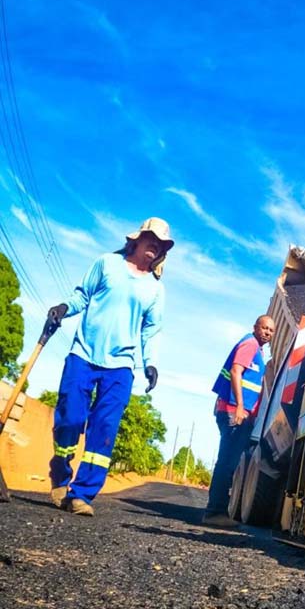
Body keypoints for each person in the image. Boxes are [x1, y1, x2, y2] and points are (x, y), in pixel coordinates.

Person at [45, 218, 172, 515]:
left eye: (162, 243)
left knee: (103, 429)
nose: (156, 245)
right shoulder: (107, 264)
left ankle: (82, 494)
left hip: (121, 368)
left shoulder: (156, 290)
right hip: (83, 355)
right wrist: (64, 308)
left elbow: (151, 330)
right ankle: (60, 471)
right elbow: (82, 296)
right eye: (152, 238)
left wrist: (150, 363)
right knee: (70, 419)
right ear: (137, 239)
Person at [202, 314, 275, 526]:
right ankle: (214, 512)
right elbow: (236, 371)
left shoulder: (257, 350)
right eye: (264, 328)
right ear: (255, 327)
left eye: (271, 330)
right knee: (227, 462)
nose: (267, 333)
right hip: (234, 412)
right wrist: (241, 407)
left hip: (235, 411)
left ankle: (216, 510)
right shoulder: (250, 344)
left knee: (228, 462)